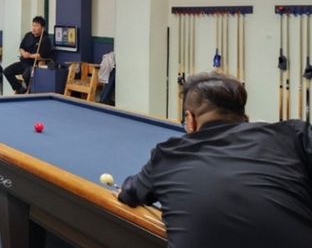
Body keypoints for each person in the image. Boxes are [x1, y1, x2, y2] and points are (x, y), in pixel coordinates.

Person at [117, 72, 312, 248]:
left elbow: (130, 193)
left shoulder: (167, 155)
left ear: (190, 120)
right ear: (245, 117)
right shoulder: (295, 135)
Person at [3, 16, 52, 94]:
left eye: (36, 26)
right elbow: (21, 48)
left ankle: (31, 92)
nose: (34, 28)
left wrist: (29, 56)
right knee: (7, 71)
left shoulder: (45, 39)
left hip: (34, 65)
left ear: (42, 28)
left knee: (26, 75)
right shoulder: (28, 35)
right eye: (33, 25)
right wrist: (23, 53)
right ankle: (20, 89)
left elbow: (41, 55)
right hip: (23, 62)